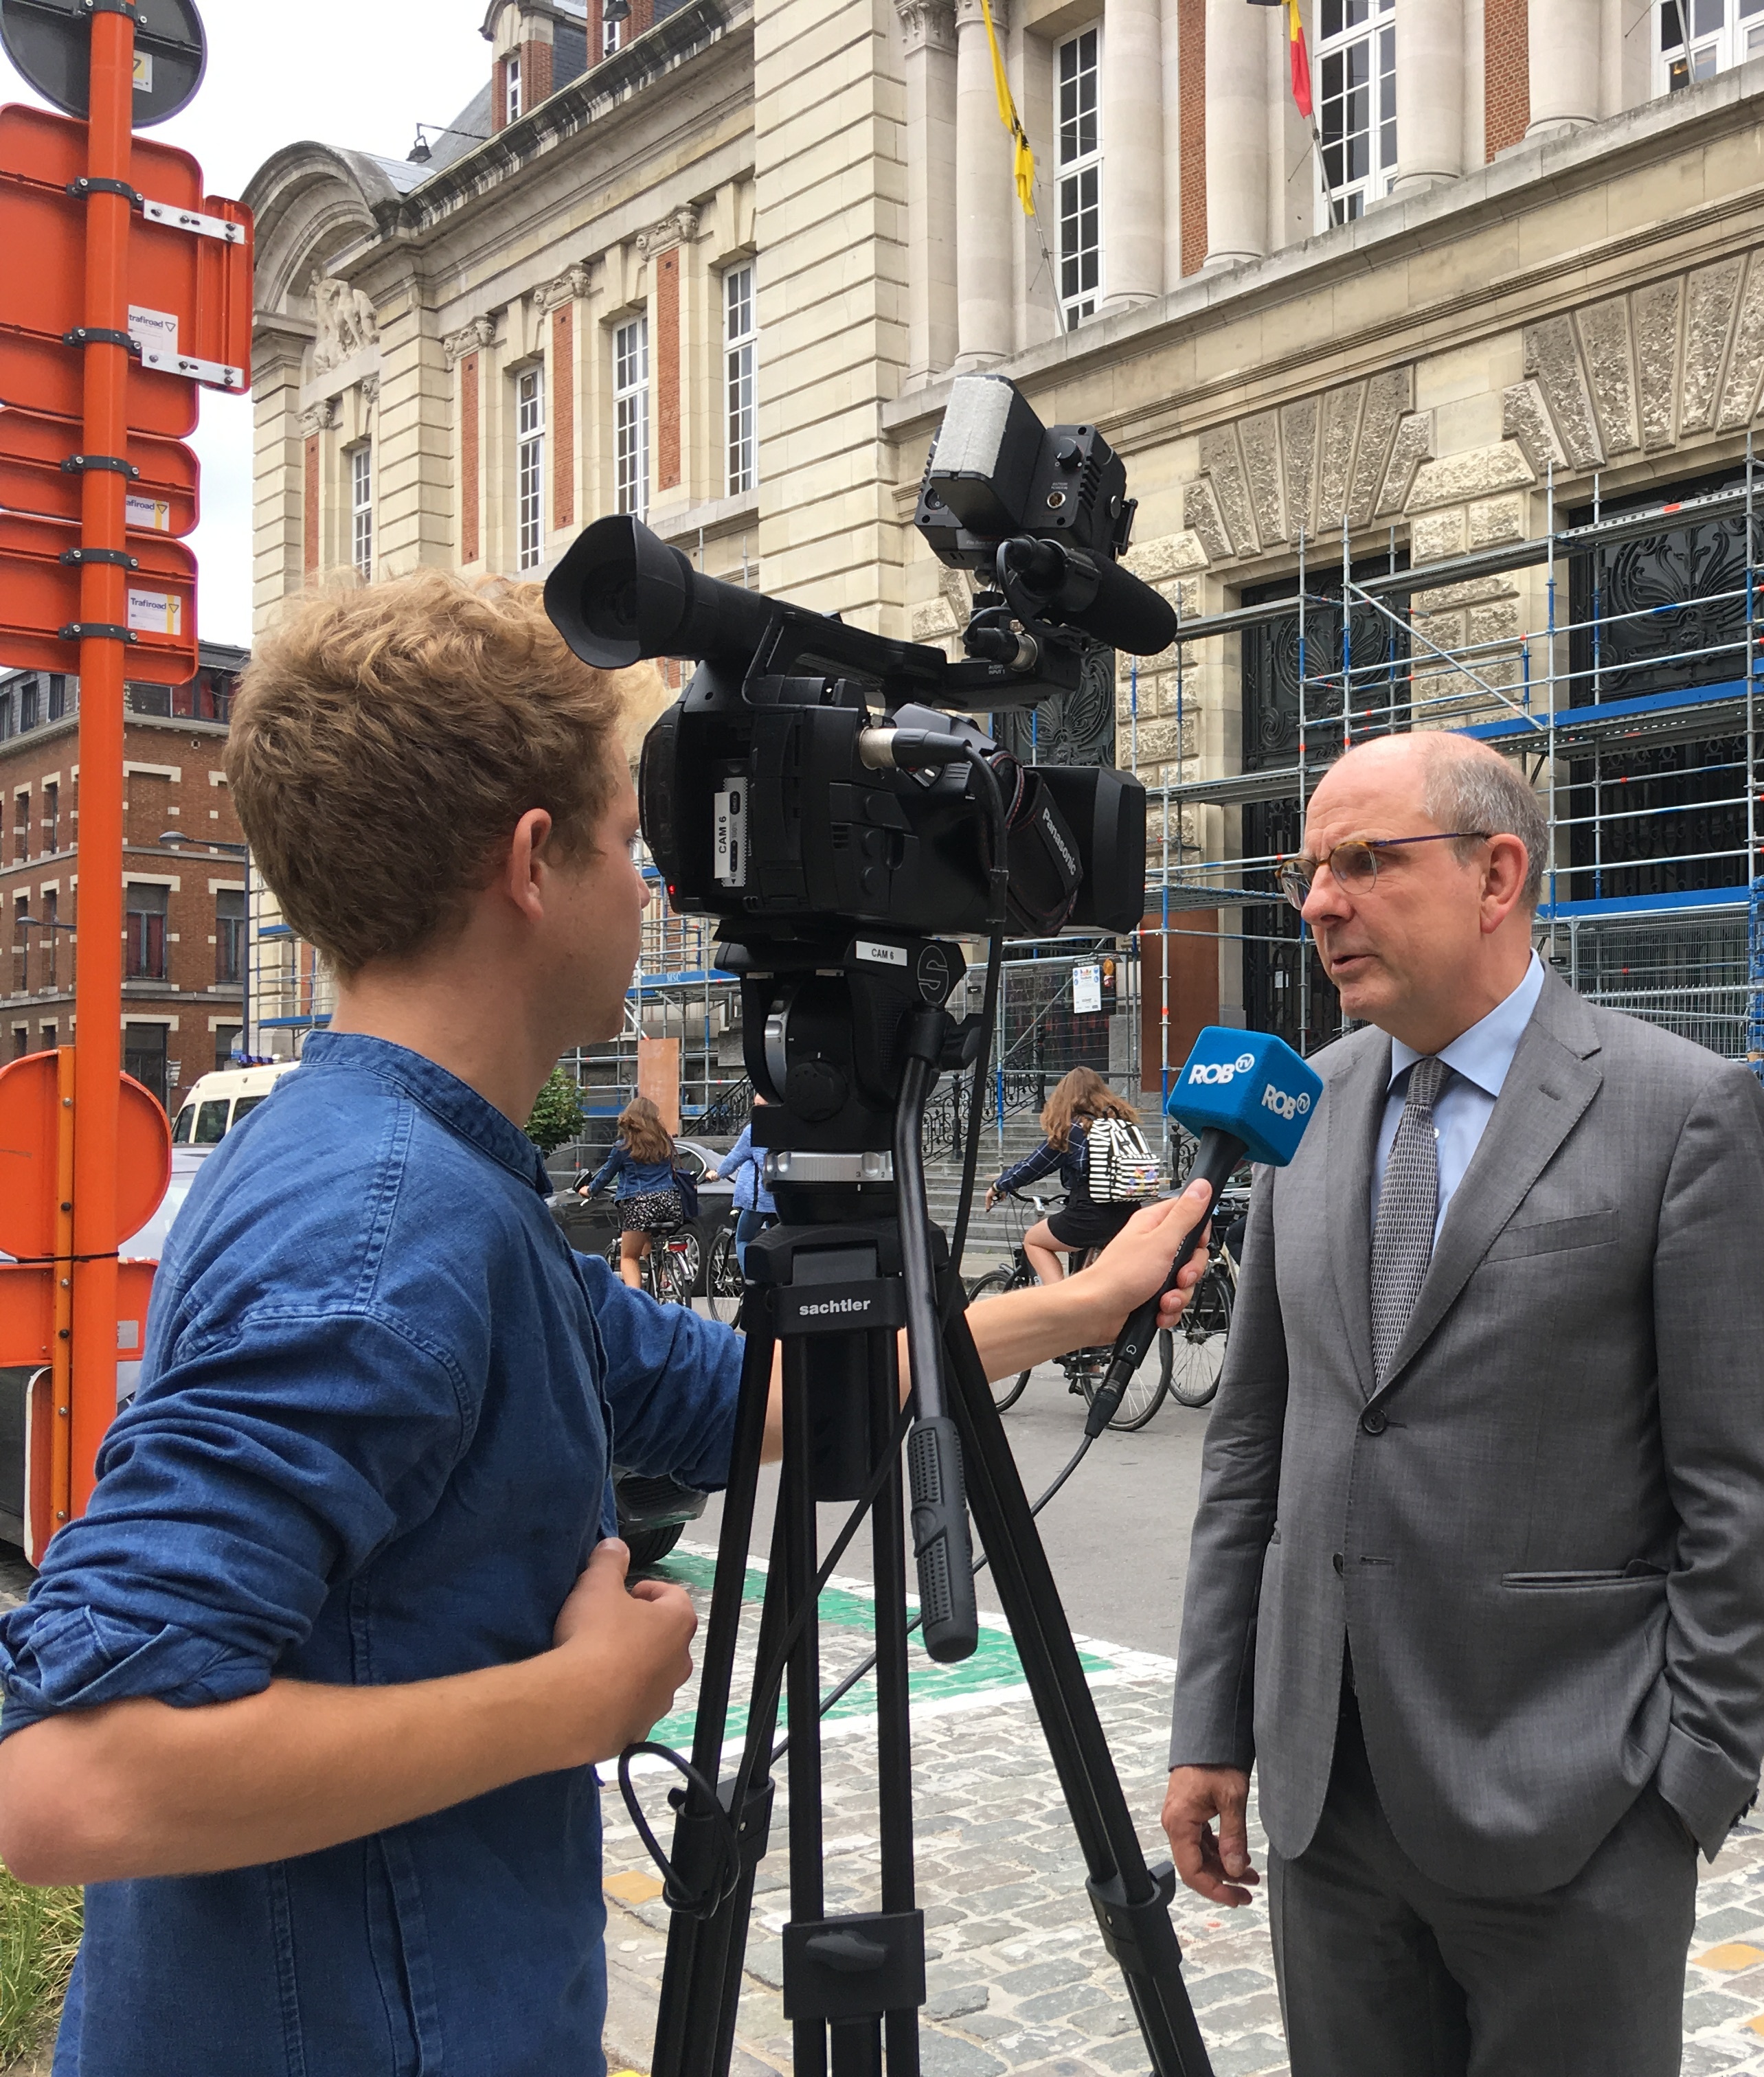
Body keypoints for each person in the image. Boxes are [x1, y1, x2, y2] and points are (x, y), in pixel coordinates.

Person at [0, 571, 1210, 2077]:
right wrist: (570, 1705)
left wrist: (1076, 1303)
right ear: (530, 863)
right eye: (629, 849)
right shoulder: (387, 1230)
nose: (652, 894)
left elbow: (749, 1391)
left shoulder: (423, 1181)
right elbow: (71, 1778)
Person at [1162, 731, 1764, 2077]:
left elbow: (1746, 1492)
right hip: (1327, 1807)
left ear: (1496, 873)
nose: (1318, 904)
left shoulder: (1680, 1112)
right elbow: (1252, 1454)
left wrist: (1682, 1786)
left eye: (1360, 862)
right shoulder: (1306, 1104)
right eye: (1308, 872)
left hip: (1575, 1813)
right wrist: (1213, 1729)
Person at [985, 1065, 1157, 1284]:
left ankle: (1059, 1302)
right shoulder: (1122, 1125)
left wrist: (1000, 1186)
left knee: (1035, 1241)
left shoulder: (1076, 1129)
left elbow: (1033, 1166)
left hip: (1089, 1217)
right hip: (1130, 1214)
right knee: (1090, 1279)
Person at [576, 1095, 690, 1289]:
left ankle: (635, 1302)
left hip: (640, 1205)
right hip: (671, 1203)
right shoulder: (666, 1143)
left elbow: (605, 1176)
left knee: (629, 1257)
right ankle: (661, 1276)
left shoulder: (624, 1147)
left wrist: (589, 1190)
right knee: (647, 1238)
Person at [717, 1117, 770, 1259]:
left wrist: (717, 1174)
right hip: (783, 1200)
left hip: (759, 1201)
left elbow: (734, 1158)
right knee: (778, 1241)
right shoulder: (789, 1127)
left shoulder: (754, 1130)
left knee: (743, 1239)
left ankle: (750, 1278)